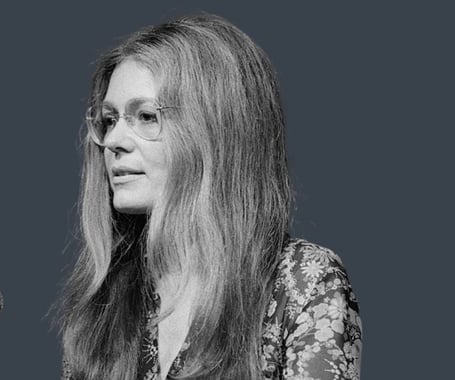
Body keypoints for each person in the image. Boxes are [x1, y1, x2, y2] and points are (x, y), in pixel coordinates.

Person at [57, 14, 362, 380]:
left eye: (147, 116)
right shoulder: (105, 303)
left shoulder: (302, 282)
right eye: (109, 119)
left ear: (216, 131)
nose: (112, 141)